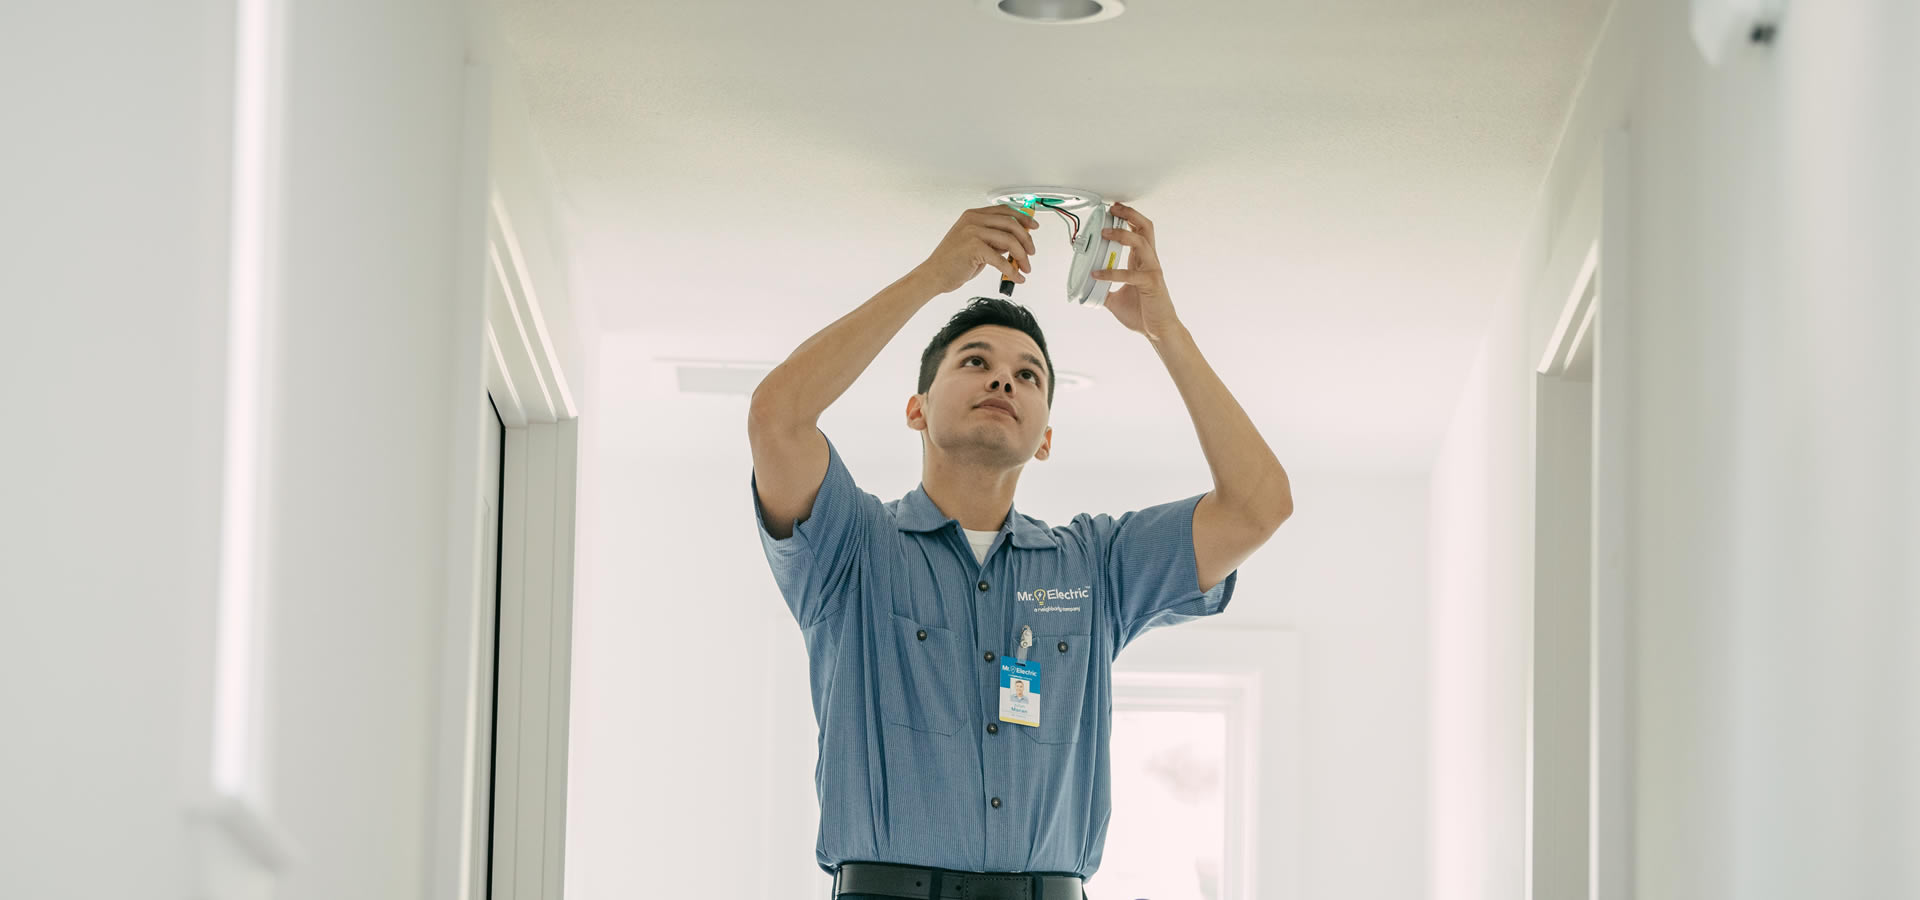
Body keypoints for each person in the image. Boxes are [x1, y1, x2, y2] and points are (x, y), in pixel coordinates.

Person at [748, 202, 1293, 899]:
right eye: (976, 362)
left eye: (1029, 375)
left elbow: (1259, 505)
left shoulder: (1094, 568)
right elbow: (776, 417)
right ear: (916, 408)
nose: (1003, 380)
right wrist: (931, 278)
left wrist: (1166, 328)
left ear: (1045, 438)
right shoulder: (851, 549)